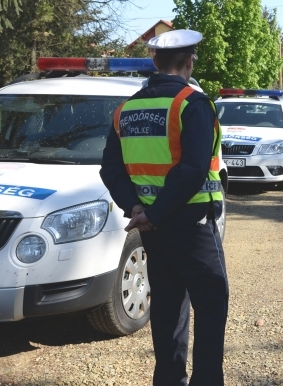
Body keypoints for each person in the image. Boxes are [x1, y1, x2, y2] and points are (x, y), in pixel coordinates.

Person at [100, 29, 228, 386]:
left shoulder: (125, 110)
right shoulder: (193, 104)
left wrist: (138, 209)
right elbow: (192, 169)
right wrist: (153, 213)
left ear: (154, 62)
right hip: (192, 227)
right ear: (189, 62)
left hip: (152, 232)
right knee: (211, 304)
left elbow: (109, 168)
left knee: (169, 308)